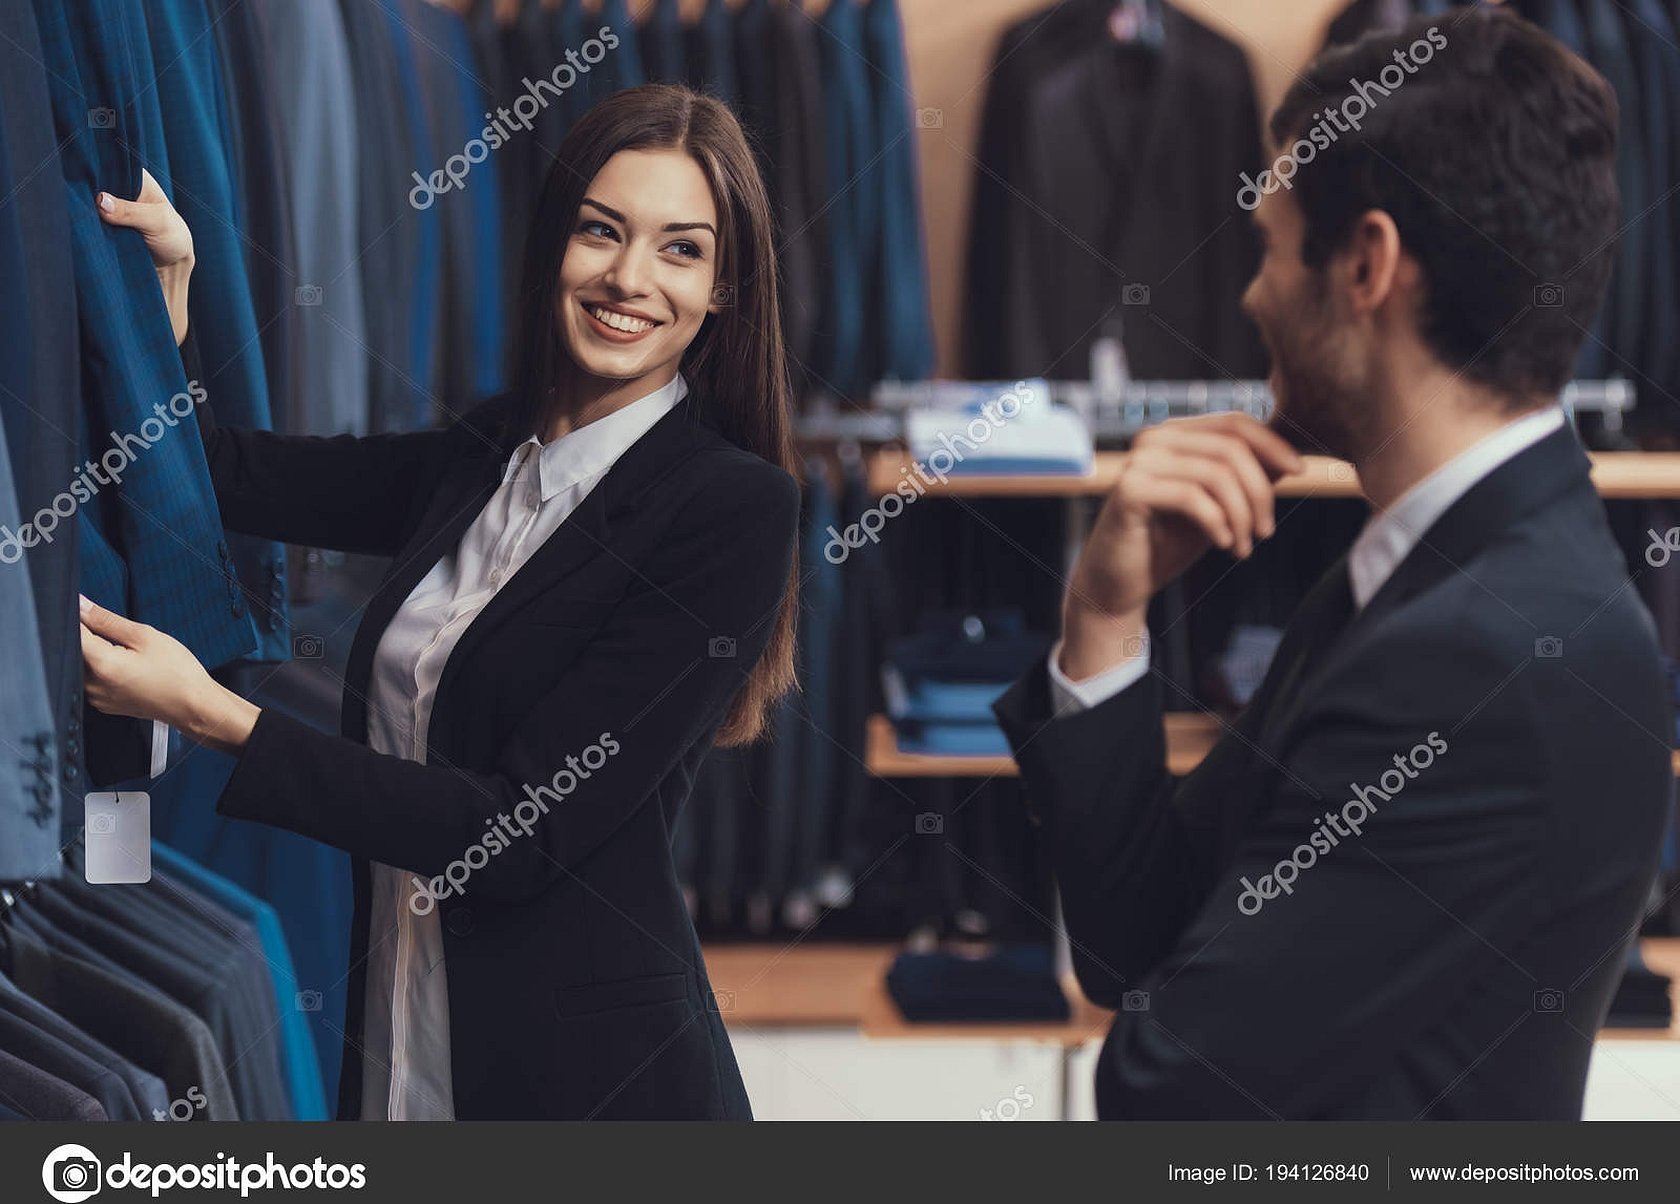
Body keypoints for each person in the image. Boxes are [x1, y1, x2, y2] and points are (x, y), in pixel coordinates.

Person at [993, 7, 1672, 1119]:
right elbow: (1135, 947)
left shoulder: (1476, 657)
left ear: (1364, 265)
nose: (1251, 295)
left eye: (1267, 244)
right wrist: (1107, 615)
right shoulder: (1422, 572)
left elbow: (1168, 1089)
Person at [78, 85, 800, 1121]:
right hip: (398, 1037)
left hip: (593, 1085)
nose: (629, 278)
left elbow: (517, 830)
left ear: (726, 287)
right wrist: (172, 308)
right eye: (602, 230)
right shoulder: (490, 452)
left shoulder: (730, 508)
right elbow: (238, 475)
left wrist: (214, 715)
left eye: (680, 250)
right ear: (556, 241)